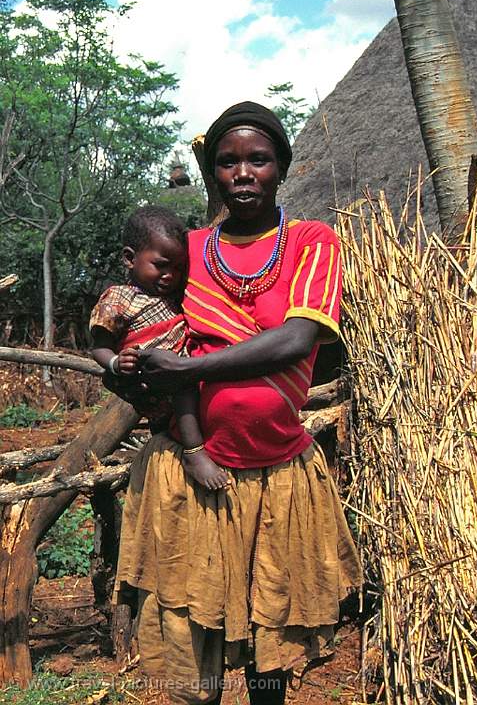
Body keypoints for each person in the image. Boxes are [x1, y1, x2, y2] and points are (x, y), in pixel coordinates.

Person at [112, 102, 362, 705]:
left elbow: (296, 339)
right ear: (212, 174)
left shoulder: (311, 242)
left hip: (278, 474)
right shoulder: (185, 249)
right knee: (196, 634)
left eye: (259, 159)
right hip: (193, 471)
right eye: (228, 162)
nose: (243, 173)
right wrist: (127, 368)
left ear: (282, 167)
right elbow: (129, 321)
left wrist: (189, 366)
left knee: (267, 633)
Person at [90, 205, 228, 489]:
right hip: (155, 375)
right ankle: (194, 454)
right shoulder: (118, 299)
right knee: (180, 389)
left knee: (172, 427)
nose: (170, 275)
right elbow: (99, 347)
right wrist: (116, 363)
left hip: (183, 367)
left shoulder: (178, 294)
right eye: (161, 265)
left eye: (178, 268)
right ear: (130, 258)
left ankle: (176, 460)